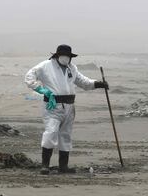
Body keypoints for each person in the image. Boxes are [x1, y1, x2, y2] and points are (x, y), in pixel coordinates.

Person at [25, 44, 108, 175]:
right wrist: (42, 90)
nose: (66, 59)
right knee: (51, 132)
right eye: (64, 56)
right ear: (57, 56)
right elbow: (29, 77)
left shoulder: (72, 68)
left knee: (66, 135)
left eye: (68, 56)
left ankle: (63, 166)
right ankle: (45, 165)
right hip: (53, 105)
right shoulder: (45, 66)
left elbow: (83, 81)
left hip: (69, 106)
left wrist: (98, 84)